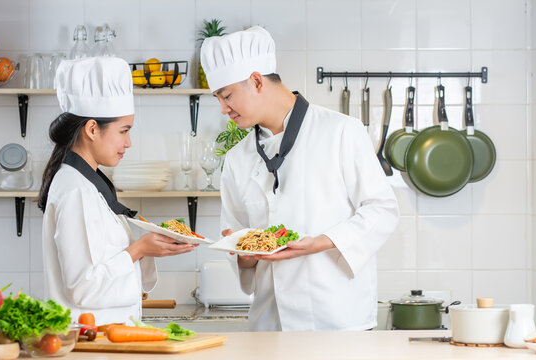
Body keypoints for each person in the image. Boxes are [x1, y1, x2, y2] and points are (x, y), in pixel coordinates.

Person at [200, 26, 399, 331]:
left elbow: (382, 209)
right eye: (218, 99)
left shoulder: (341, 131)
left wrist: (321, 242)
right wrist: (244, 257)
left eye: (226, 96)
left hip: (338, 324)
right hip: (270, 326)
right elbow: (238, 242)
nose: (224, 109)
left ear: (256, 81)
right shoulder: (237, 159)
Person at [38, 57, 196, 325]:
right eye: (124, 131)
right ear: (92, 129)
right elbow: (82, 288)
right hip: (90, 343)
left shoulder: (87, 184)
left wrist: (146, 246)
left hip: (108, 340)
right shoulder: (75, 190)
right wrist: (139, 249)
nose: (129, 142)